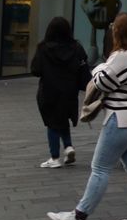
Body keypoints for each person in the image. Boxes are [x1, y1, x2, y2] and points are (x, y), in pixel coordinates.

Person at [46, 13, 127, 220]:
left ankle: (79, 216)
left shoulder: (121, 56)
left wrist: (99, 67)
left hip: (120, 118)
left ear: (117, 32)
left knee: (99, 168)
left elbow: (102, 83)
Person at [31, 17, 90, 168]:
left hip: (49, 90)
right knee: (62, 118)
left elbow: (35, 70)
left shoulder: (43, 48)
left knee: (52, 122)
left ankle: (55, 157)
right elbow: (83, 68)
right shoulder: (76, 47)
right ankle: (68, 146)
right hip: (70, 91)